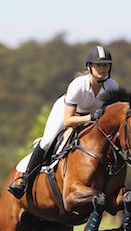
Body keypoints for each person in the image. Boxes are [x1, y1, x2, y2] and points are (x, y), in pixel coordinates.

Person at [7, 46, 119, 198]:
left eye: (105, 65)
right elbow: (68, 121)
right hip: (66, 113)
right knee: (47, 142)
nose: (102, 69)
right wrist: (91, 118)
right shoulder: (78, 85)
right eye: (98, 65)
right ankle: (24, 181)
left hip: (92, 118)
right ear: (89, 67)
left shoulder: (112, 86)